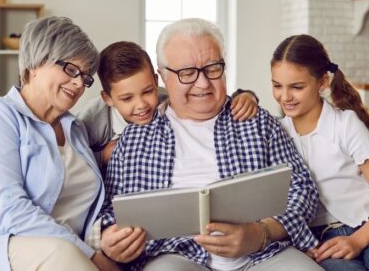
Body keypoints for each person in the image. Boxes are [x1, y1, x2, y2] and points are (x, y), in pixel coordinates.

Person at [98, 18, 322, 271]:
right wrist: (110, 237)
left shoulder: (256, 120)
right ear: (162, 76)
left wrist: (261, 233)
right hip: (177, 257)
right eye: (187, 73)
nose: (203, 83)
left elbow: (302, 188)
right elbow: (110, 209)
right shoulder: (135, 138)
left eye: (212, 68)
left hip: (264, 254)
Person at [0, 16, 118, 271]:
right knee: (61, 254)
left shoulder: (77, 128)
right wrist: (90, 256)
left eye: (85, 78)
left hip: (67, 253)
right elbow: (7, 207)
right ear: (36, 63)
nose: (78, 83)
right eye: (71, 69)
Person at [270, 34, 369, 270]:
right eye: (277, 85)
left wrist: (357, 240)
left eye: (297, 87)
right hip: (322, 243)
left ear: (322, 83)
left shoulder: (345, 124)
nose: (285, 96)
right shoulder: (275, 132)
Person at [77, 41, 259, 172]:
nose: (141, 105)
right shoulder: (93, 119)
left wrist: (246, 96)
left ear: (156, 81)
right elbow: (71, 162)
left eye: (147, 92)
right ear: (108, 98)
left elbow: (210, 99)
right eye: (127, 99)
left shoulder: (166, 99)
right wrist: (102, 156)